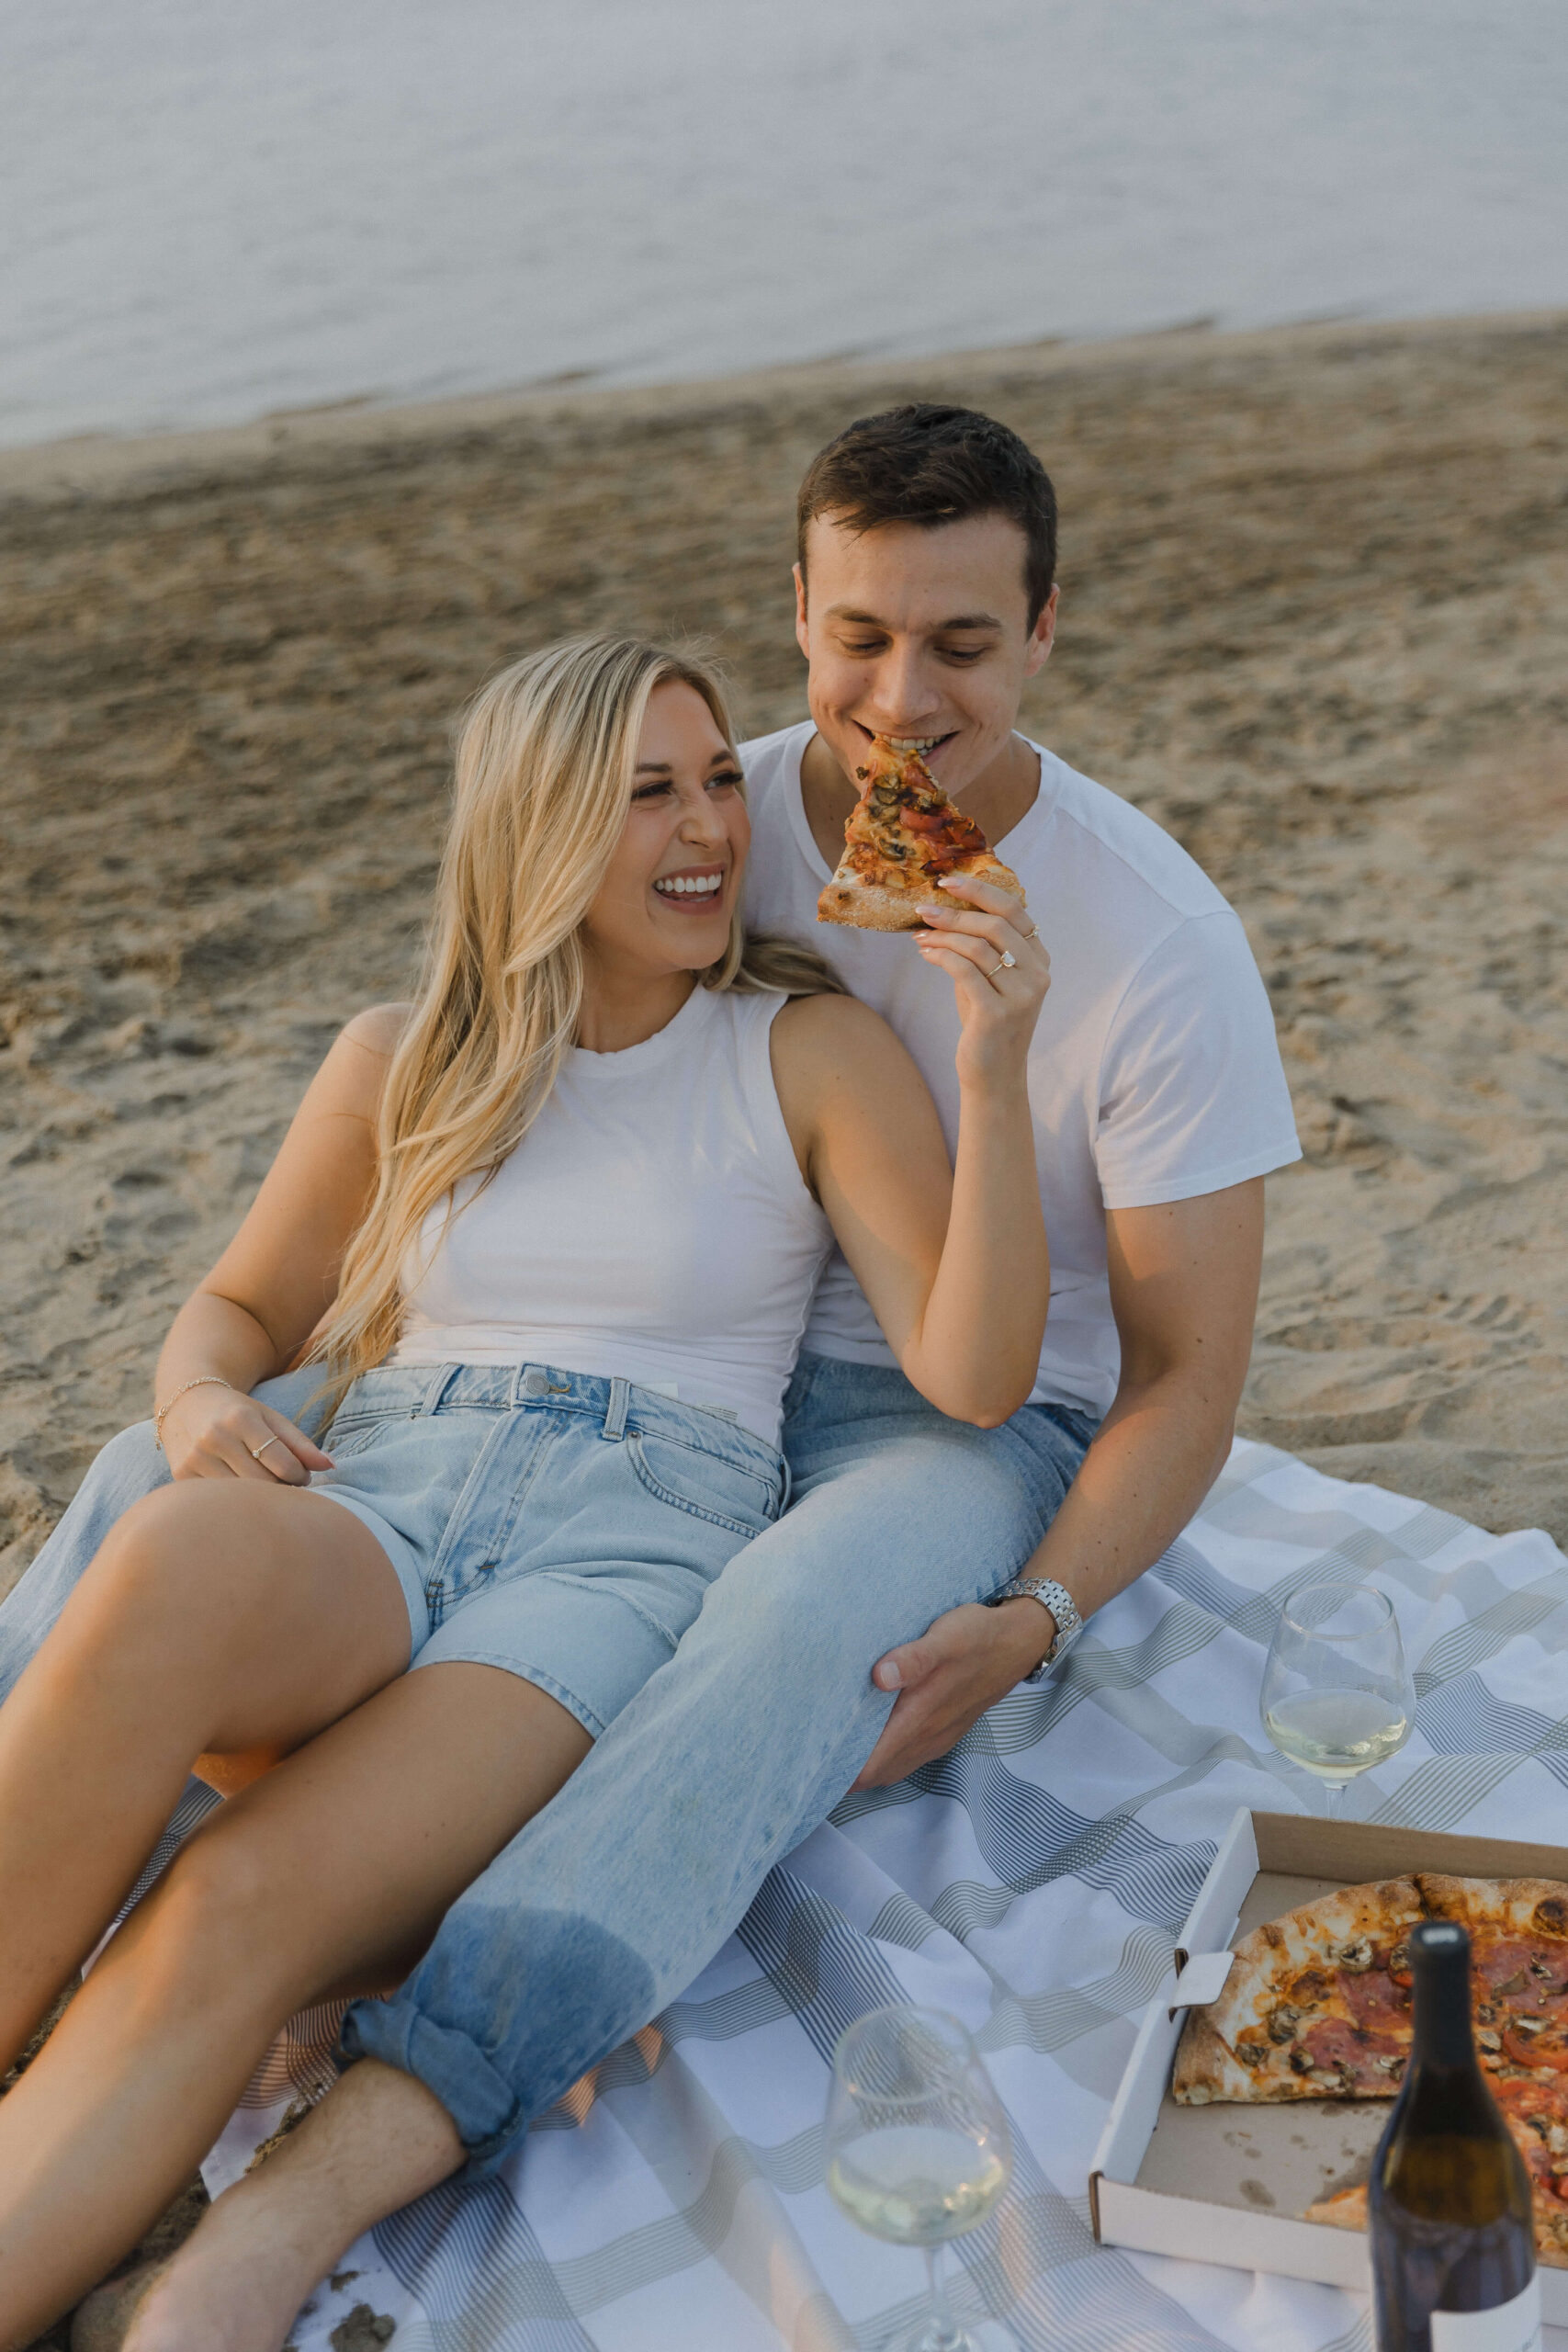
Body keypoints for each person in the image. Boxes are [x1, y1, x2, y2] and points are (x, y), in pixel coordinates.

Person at [0, 405, 1301, 2352]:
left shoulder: (1135, 948)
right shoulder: (722, 834)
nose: (895, 700)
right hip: (426, 1467)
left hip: (897, 1436)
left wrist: (1038, 1607)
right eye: (858, 638)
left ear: (1042, 634)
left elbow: (1156, 1378)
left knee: (765, 1635)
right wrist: (204, 1406)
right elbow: (257, 1295)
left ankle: (333, 2155)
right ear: (798, 618)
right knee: (149, 1516)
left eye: (958, 642)